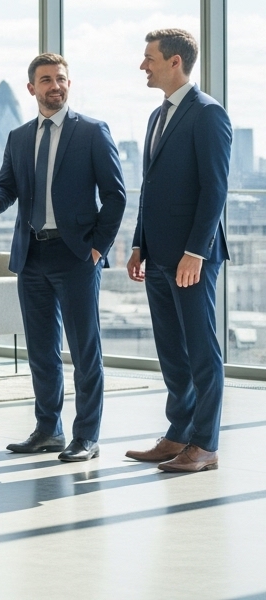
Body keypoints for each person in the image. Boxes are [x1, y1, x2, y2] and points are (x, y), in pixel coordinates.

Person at [0, 53, 125, 462]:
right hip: (31, 254)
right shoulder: (18, 136)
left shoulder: (93, 132)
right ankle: (48, 430)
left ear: (69, 83)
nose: (55, 86)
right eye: (45, 80)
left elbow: (116, 196)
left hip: (76, 255)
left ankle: (86, 436)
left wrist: (97, 247)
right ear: (32, 88)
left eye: (60, 78)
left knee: (85, 350)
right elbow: (6, 187)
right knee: (41, 349)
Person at [125, 29, 231, 474]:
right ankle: (178, 434)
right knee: (172, 351)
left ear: (174, 61)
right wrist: (137, 243)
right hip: (158, 254)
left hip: (191, 259)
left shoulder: (208, 114)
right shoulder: (156, 116)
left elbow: (214, 190)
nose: (142, 65)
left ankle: (204, 445)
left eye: (149, 57)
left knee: (201, 352)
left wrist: (196, 252)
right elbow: (150, 189)